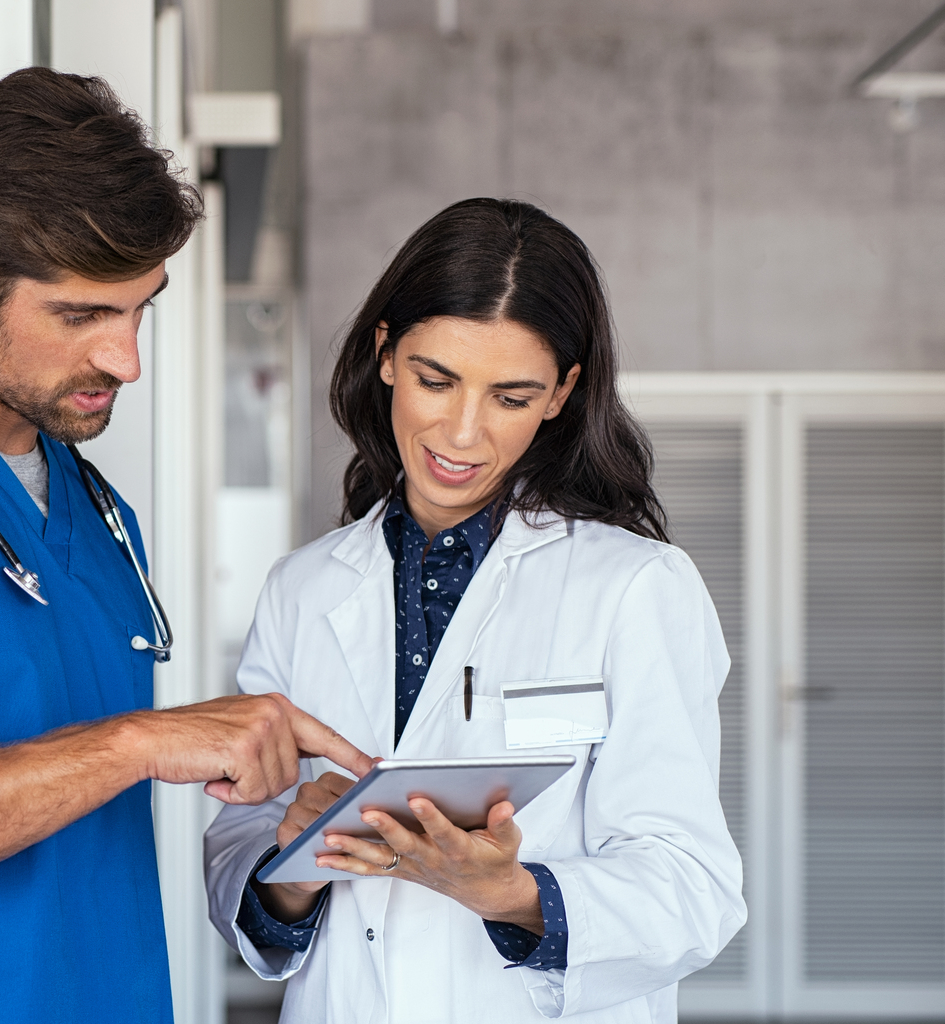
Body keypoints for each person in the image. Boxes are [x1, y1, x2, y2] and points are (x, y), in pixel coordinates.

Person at [0, 68, 372, 1024]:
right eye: (82, 316)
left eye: (139, 310)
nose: (125, 359)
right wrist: (133, 743)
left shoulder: (95, 507)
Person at [204, 199, 746, 1023]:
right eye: (436, 380)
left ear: (561, 394)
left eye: (511, 396)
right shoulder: (302, 588)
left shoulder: (636, 586)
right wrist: (293, 868)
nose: (462, 432)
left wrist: (518, 896)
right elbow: (236, 853)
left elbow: (693, 888)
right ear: (386, 355)